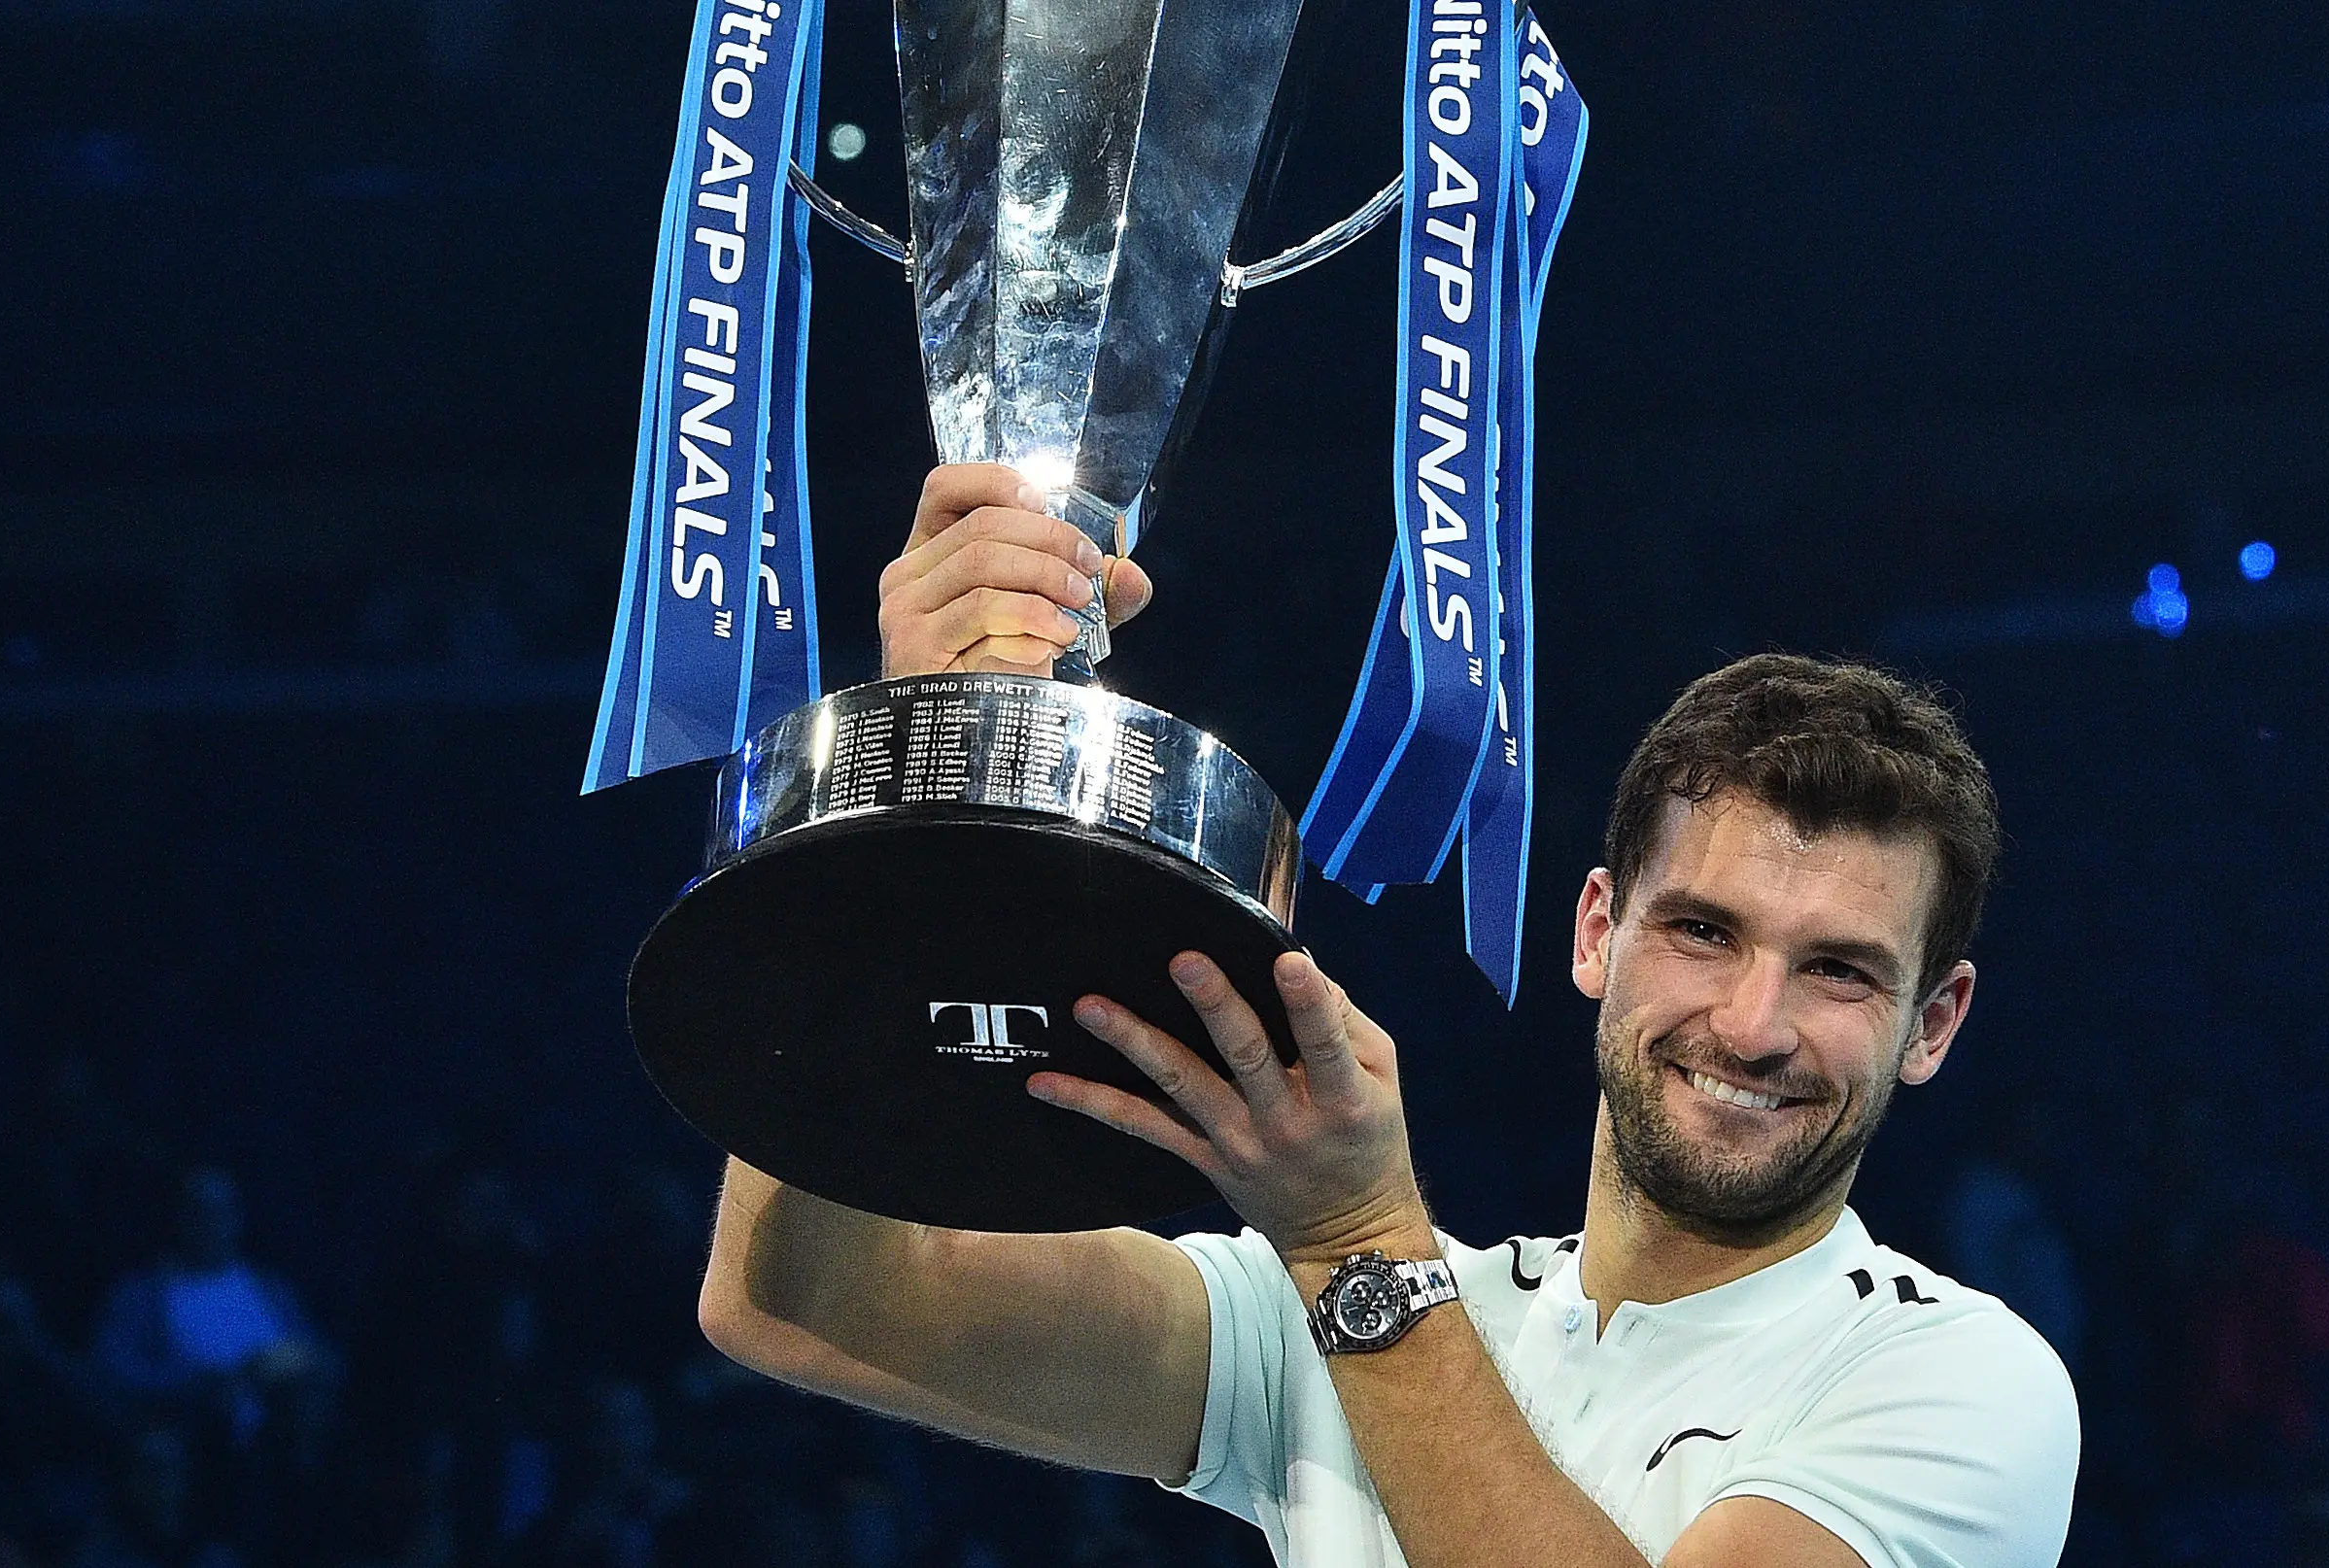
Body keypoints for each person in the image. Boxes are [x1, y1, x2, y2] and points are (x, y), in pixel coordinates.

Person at [697, 464, 2080, 1568]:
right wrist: (900, 810)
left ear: (1933, 1019)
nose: (1754, 1019)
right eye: (1702, 930)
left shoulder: (1957, 1379)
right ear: (1596, 930)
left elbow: (1361, 1267)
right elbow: (804, 1294)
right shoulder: (1351, 1312)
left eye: (1838, 969)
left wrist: (1359, 1244)